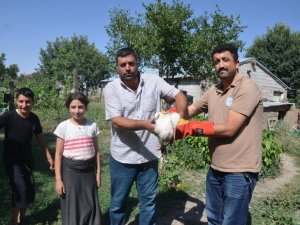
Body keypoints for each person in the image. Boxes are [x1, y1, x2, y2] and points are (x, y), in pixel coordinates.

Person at [173, 44, 263, 225]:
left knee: (232, 221)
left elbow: (229, 129)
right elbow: (188, 111)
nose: (220, 65)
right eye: (216, 62)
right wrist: (165, 118)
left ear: (237, 63)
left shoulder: (247, 88)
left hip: (239, 171)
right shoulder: (214, 91)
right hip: (216, 169)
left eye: (225, 60)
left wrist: (190, 129)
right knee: (214, 218)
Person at [103, 47, 188, 225]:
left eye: (131, 64)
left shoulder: (154, 81)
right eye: (123, 65)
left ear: (137, 64)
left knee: (148, 203)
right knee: (118, 203)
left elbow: (178, 94)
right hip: (123, 158)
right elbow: (116, 121)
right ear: (117, 68)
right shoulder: (111, 89)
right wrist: (144, 125)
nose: (127, 68)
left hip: (150, 155)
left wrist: (181, 119)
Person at [0, 87, 54, 225]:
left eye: (28, 101)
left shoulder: (34, 119)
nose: (24, 105)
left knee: (28, 190)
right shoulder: (9, 116)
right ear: (17, 101)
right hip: (12, 160)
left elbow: (41, 139)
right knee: (20, 189)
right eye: (21, 101)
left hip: (27, 159)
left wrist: (48, 157)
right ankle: (14, 222)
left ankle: (22, 218)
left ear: (33, 102)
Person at [54, 92, 102, 225]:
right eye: (73, 107)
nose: (77, 111)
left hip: (89, 171)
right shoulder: (63, 127)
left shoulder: (92, 125)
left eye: (80, 107)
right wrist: (58, 179)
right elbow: (58, 154)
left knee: (90, 202)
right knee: (72, 202)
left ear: (86, 107)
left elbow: (96, 151)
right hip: (70, 171)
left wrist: (98, 174)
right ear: (68, 108)